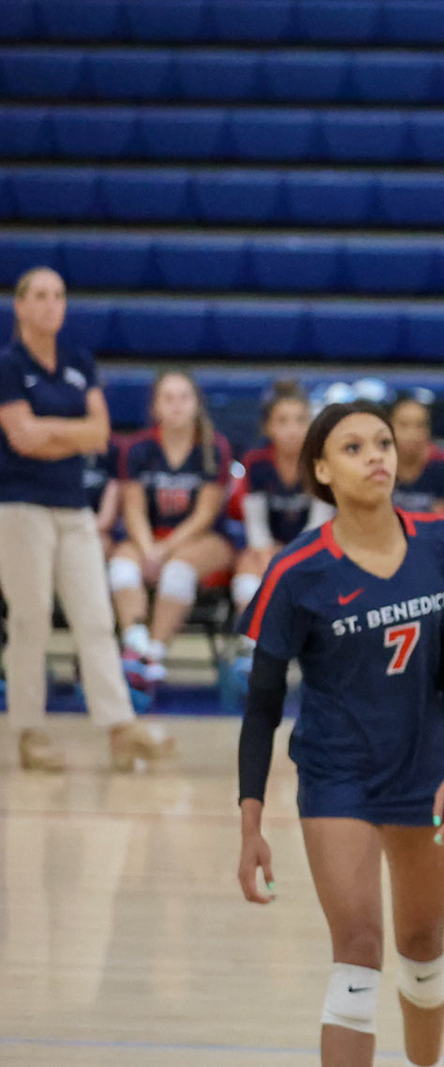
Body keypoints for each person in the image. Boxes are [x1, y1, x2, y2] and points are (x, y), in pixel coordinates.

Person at [235, 399, 444, 1067]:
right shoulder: (297, 570)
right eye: (353, 447)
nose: (377, 455)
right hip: (338, 772)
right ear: (319, 469)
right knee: (360, 952)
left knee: (424, 947)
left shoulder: (441, 540)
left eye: (383, 442)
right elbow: (261, 705)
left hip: (425, 768)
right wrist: (251, 823)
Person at [0, 267, 173, 772]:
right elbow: (21, 437)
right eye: (41, 296)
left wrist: (54, 431)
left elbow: (101, 436)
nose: (52, 304)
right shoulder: (9, 366)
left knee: (96, 619)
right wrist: (69, 431)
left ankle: (120, 728)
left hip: (74, 507)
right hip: (19, 505)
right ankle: (30, 732)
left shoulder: (79, 362)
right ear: (22, 306)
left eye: (59, 295)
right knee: (30, 618)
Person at [109, 368, 234, 684]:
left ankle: (154, 654)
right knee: (122, 564)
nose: (177, 405)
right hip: (149, 534)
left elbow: (204, 516)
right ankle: (134, 643)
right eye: (168, 398)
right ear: (155, 407)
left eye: (184, 397)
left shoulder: (213, 448)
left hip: (204, 538)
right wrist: (149, 548)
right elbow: (133, 509)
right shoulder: (137, 448)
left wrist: (163, 551)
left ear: (196, 403)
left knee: (178, 569)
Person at [232, 381, 332, 617]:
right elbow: (255, 525)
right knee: (248, 565)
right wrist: (268, 554)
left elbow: (318, 525)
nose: (292, 429)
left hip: (314, 545)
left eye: (300, 420)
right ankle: (252, 645)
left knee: (317, 569)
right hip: (268, 546)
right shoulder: (256, 462)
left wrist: (288, 558)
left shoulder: (322, 462)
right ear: (268, 427)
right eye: (283, 421)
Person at [389, 391, 444, 517]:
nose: (412, 433)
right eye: (403, 425)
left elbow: (442, 522)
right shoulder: (378, 464)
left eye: (420, 425)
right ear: (389, 427)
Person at [81, 433, 121, 558]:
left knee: (100, 543)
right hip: (63, 523)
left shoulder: (112, 452)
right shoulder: (56, 453)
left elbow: (105, 520)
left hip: (96, 528)